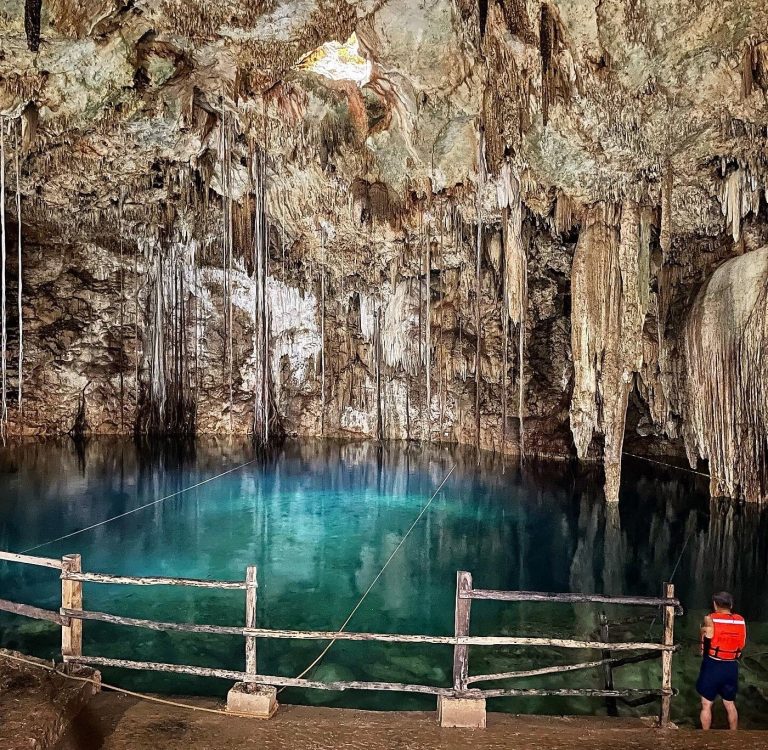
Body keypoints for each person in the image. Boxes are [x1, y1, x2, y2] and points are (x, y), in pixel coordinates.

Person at [696, 591, 746, 730]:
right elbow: (742, 643)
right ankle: (733, 735)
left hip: (713, 665)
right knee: (730, 704)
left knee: (706, 705)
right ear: (731, 604)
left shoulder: (710, 619)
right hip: (731, 667)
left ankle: (705, 736)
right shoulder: (741, 620)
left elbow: (704, 640)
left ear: (715, 604)